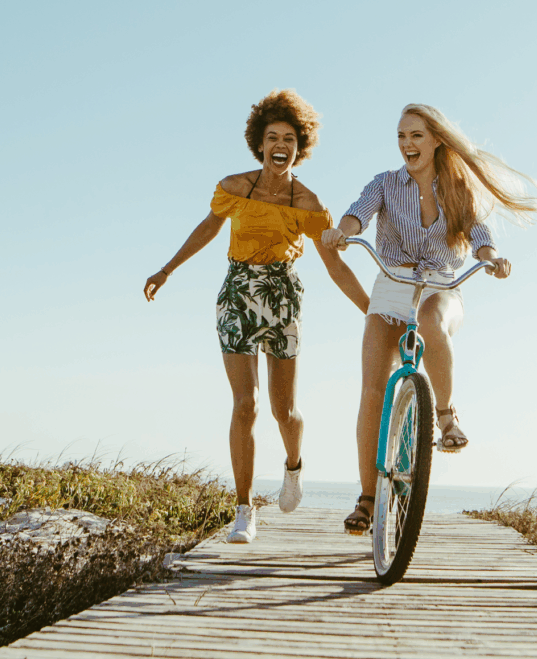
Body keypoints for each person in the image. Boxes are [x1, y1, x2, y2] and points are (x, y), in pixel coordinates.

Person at [145, 89, 369, 543]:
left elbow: (334, 265)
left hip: (282, 295)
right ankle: (244, 509)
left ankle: (293, 466)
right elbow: (209, 226)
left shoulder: (307, 203)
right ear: (260, 143)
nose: (279, 144)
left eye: (289, 137)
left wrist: (371, 310)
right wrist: (168, 269)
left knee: (283, 409)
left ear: (299, 147)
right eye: (272, 137)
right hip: (237, 294)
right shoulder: (234, 188)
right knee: (245, 404)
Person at [321, 103, 537, 533]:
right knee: (372, 388)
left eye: (416, 136)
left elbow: (479, 234)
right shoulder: (386, 184)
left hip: (442, 284)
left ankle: (444, 416)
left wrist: (491, 257)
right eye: (402, 137)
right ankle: (367, 499)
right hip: (392, 282)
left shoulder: (457, 188)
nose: (407, 144)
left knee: (430, 322)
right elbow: (357, 213)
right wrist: (343, 232)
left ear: (436, 140)